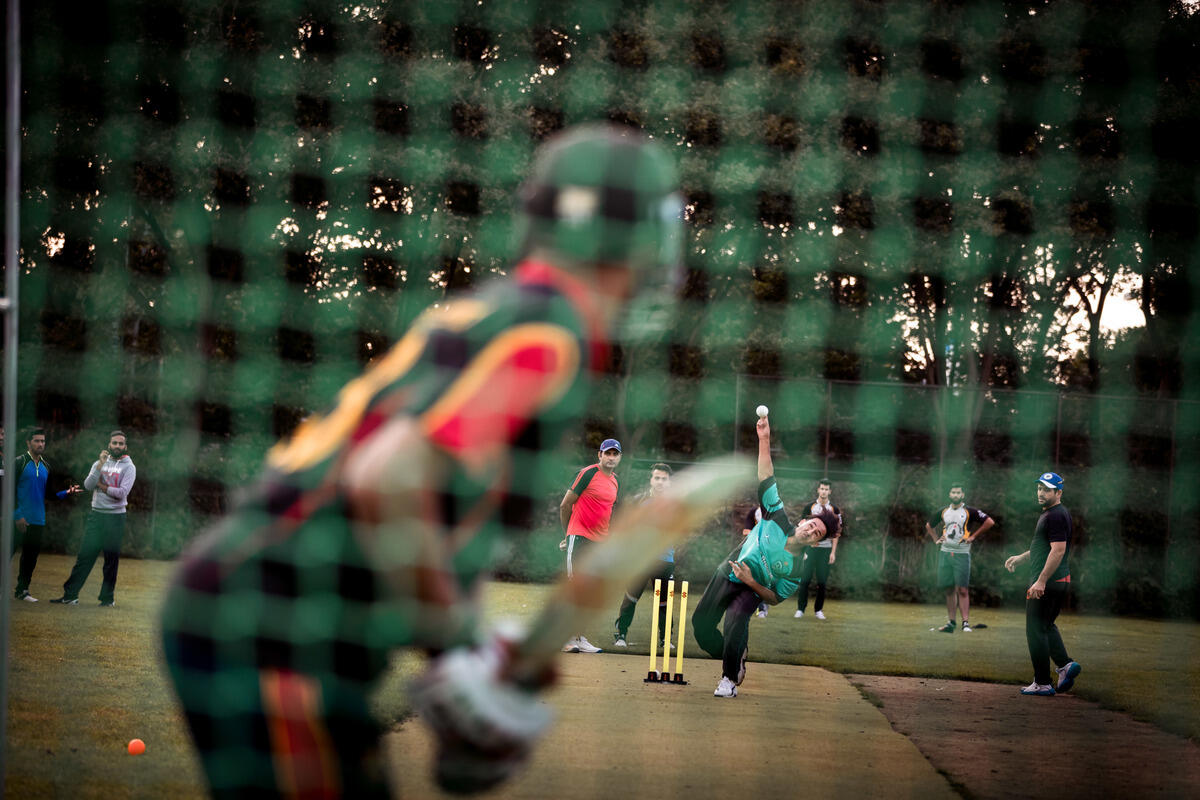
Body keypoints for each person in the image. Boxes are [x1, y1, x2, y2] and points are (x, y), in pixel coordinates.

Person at [160, 124, 684, 797]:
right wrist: (461, 644)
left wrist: (465, 651)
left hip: (277, 619)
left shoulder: (509, 311)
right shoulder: (552, 329)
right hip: (267, 625)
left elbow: (428, 510)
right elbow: (390, 476)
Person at [692, 414, 838, 698]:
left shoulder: (796, 569)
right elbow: (766, 476)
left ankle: (729, 679)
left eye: (817, 534)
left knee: (736, 619)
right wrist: (764, 439)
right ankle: (735, 655)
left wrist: (751, 581)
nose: (811, 531)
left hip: (753, 588)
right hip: (729, 570)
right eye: (811, 525)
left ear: (815, 543)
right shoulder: (776, 516)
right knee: (701, 627)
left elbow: (774, 598)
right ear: (803, 521)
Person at [1005, 471, 1082, 697]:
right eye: (1039, 488)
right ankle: (1065, 666)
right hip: (1058, 580)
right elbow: (1045, 547)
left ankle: (1042, 682)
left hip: (1049, 582)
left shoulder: (1055, 515)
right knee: (1046, 625)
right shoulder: (1055, 513)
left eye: (1046, 489)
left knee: (1035, 629)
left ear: (1058, 492)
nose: (1040, 493)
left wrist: (1041, 580)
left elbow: (1058, 551)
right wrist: (1021, 558)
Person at [50, 430, 134, 607]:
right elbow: (88, 485)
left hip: (115, 518)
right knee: (84, 557)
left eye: (120, 443)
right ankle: (70, 596)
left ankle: (107, 599)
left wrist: (102, 486)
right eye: (114, 443)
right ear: (109, 444)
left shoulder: (129, 467)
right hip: (96, 516)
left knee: (111, 560)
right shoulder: (99, 463)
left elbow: (121, 493)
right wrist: (99, 466)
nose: (117, 446)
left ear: (125, 446)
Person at [559, 438, 622, 654]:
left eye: (615, 454)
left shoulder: (615, 482)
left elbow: (606, 513)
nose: (611, 457)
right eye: (607, 453)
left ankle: (580, 637)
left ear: (619, 457)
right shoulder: (587, 473)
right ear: (600, 455)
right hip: (579, 537)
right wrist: (568, 535)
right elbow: (565, 505)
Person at [12, 427, 80, 601]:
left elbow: (49, 494)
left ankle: (22, 591)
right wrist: (17, 515)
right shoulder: (19, 462)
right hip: (18, 519)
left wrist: (67, 492)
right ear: (28, 443)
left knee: (30, 559)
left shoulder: (46, 466)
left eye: (43, 441)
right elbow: (9, 491)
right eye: (37, 441)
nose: (40, 444)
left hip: (38, 520)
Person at [612, 462, 674, 648]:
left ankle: (665, 639)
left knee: (664, 602)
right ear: (651, 480)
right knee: (631, 597)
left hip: (664, 560)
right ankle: (621, 635)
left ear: (670, 482)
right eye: (657, 478)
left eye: (664, 479)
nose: (660, 482)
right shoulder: (639, 501)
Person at [925, 482, 994, 632]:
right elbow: (929, 525)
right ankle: (951, 622)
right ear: (949, 494)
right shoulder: (944, 511)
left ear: (963, 495)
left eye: (958, 493)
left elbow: (989, 522)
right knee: (949, 589)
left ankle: (965, 623)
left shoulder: (970, 511)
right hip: (945, 553)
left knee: (962, 589)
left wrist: (973, 536)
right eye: (953, 492)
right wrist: (936, 539)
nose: (955, 495)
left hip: (962, 555)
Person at [794, 478, 844, 620]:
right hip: (810, 549)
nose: (824, 491)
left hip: (825, 550)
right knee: (805, 580)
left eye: (826, 489)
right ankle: (800, 609)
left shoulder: (834, 510)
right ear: (818, 490)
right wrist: (803, 549)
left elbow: (837, 533)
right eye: (822, 488)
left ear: (830, 491)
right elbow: (802, 527)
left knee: (822, 582)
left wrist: (833, 552)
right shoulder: (809, 507)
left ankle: (818, 610)